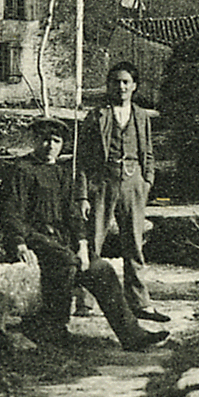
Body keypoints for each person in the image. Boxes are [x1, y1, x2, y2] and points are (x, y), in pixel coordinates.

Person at [0, 117, 168, 350]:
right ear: (34, 140)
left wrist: (83, 245)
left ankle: (132, 335)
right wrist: (19, 243)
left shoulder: (62, 172)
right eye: (44, 139)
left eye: (56, 141)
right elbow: (10, 212)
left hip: (62, 239)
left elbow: (74, 215)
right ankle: (55, 328)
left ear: (62, 144)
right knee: (67, 262)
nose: (50, 146)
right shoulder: (20, 170)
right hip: (33, 237)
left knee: (101, 268)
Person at [77, 61, 171, 324]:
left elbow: (148, 152)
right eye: (116, 82)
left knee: (134, 244)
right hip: (102, 182)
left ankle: (140, 303)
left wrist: (147, 181)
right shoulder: (96, 116)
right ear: (108, 85)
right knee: (93, 242)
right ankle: (85, 301)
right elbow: (82, 159)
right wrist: (83, 195)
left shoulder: (141, 115)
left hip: (133, 182)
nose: (121, 87)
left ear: (134, 86)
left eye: (126, 82)